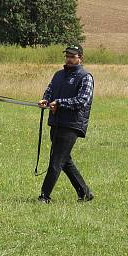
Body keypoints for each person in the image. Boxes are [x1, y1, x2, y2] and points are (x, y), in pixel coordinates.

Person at [37, 44, 94, 203]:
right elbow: (49, 91)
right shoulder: (58, 75)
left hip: (72, 125)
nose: (69, 59)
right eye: (67, 56)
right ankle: (85, 193)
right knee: (64, 160)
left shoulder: (85, 77)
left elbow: (82, 101)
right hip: (56, 122)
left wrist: (59, 103)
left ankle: (44, 196)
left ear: (80, 58)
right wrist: (46, 100)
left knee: (56, 160)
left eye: (72, 56)